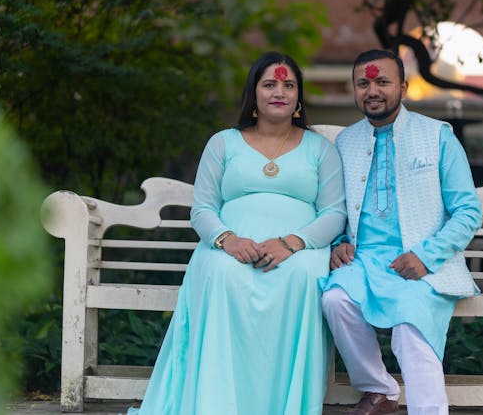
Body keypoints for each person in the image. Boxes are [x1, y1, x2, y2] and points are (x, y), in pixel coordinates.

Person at [130, 52, 347, 414]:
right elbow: (202, 209)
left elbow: (334, 213)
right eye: (270, 84)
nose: (280, 91)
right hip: (227, 248)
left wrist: (290, 244)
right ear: (254, 94)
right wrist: (227, 240)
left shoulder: (320, 149)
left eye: (289, 85)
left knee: (305, 276)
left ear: (298, 98)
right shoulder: (224, 143)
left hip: (299, 250)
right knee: (221, 273)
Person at [321, 49, 482, 415]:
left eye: (382, 81)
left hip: (423, 263)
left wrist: (426, 256)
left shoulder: (437, 136)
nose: (372, 90)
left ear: (404, 88)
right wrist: (338, 242)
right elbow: (334, 209)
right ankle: (379, 389)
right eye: (363, 83)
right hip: (364, 262)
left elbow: (468, 211)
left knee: (411, 322)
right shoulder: (345, 142)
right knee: (335, 300)